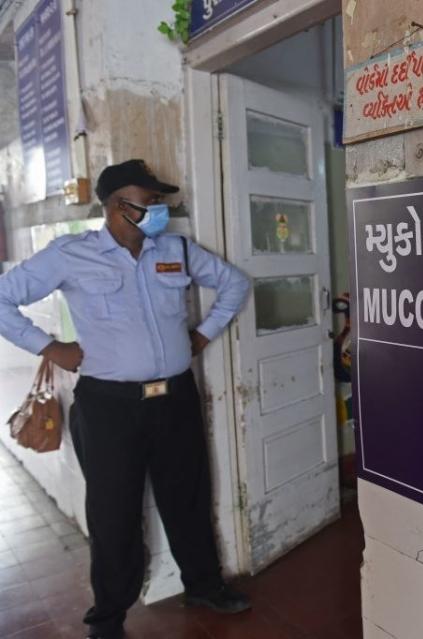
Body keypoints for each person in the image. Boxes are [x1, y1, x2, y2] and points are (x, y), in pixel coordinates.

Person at [0, 160, 252, 639]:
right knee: (114, 512)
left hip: (175, 397)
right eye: (151, 201)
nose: (160, 210)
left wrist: (201, 335)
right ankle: (109, 615)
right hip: (109, 406)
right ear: (118, 205)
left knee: (189, 498)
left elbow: (235, 283)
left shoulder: (174, 249)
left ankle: (204, 584)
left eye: (160, 201)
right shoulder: (70, 255)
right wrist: (51, 347)